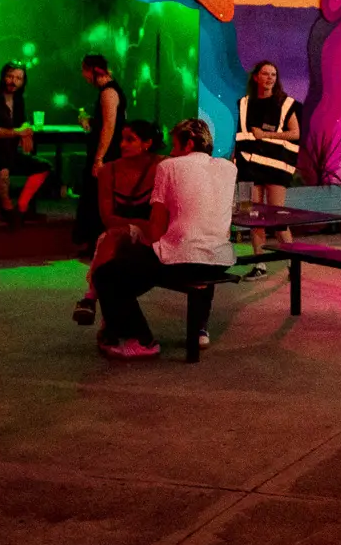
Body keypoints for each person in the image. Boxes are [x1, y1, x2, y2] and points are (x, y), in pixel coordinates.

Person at [90, 117, 238, 359]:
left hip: (182, 260)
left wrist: (140, 238)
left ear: (189, 144)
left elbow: (156, 230)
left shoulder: (169, 167)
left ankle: (142, 340)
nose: (171, 152)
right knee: (139, 268)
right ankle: (199, 328)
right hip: (221, 259)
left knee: (106, 274)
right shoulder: (229, 168)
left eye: (175, 145)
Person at [72, 120, 164, 325]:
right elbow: (107, 218)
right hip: (126, 232)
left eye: (130, 140)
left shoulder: (162, 167)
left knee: (109, 241)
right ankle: (96, 304)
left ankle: (90, 298)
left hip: (156, 236)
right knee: (111, 237)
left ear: (147, 143)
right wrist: (140, 224)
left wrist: (147, 226)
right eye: (121, 139)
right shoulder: (109, 171)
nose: (122, 145)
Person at [233, 61, 301, 277]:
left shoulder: (285, 103)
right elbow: (240, 135)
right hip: (247, 167)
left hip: (275, 168)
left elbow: (295, 133)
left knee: (277, 218)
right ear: (256, 77)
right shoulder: (244, 103)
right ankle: (259, 264)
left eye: (273, 74)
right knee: (253, 216)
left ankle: (293, 264)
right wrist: (234, 161)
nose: (270, 78)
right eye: (265, 74)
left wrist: (266, 135)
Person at [0, 62, 53, 227]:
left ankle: (21, 208)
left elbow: (22, 122)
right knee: (2, 171)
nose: (13, 81)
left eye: (18, 78)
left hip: (11, 153)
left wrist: (26, 131)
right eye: (10, 76)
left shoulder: (19, 100)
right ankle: (7, 209)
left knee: (44, 167)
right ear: (3, 77)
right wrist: (19, 132)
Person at [74, 53, 125, 255]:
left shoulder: (108, 92)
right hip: (107, 152)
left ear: (92, 71)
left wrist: (99, 158)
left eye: (84, 70)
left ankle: (97, 243)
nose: (83, 75)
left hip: (107, 154)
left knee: (98, 197)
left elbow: (109, 127)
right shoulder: (111, 90)